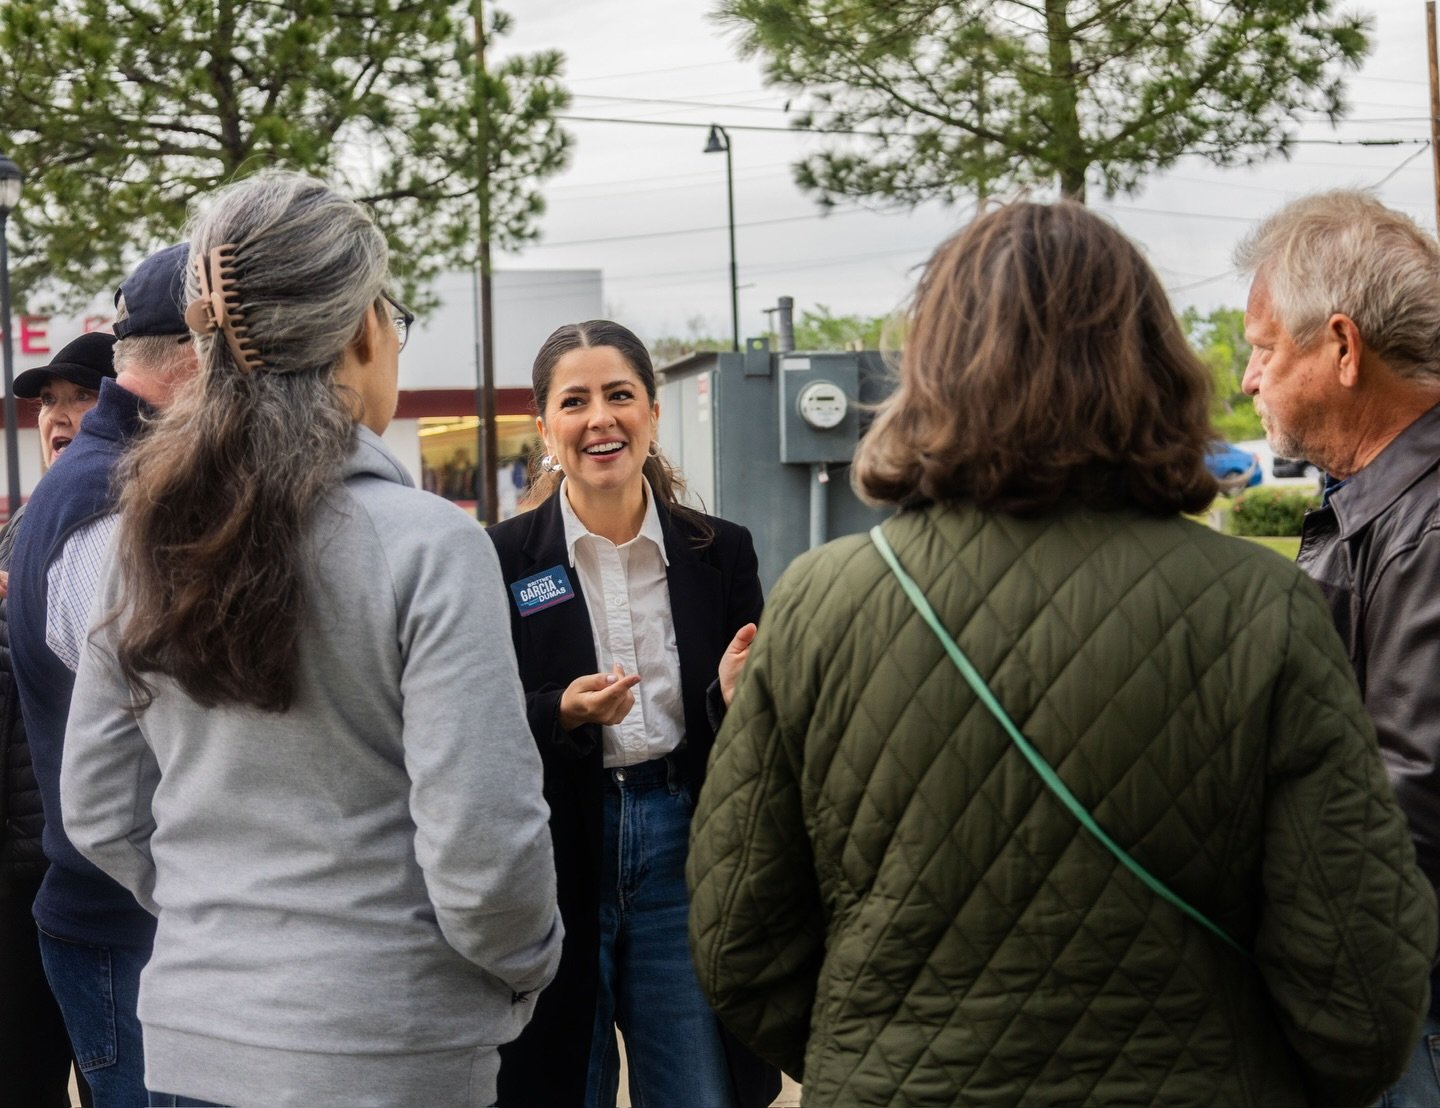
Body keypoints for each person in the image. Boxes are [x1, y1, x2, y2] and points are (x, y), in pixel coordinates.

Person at [687, 201, 1436, 1106]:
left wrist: (880, 1045)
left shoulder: (818, 604)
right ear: (1153, 363)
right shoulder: (1263, 609)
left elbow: (738, 939)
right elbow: (1360, 989)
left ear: (932, 367)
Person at [59, 169, 562, 1108]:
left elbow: (96, 805)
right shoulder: (431, 545)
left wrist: (223, 919)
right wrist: (525, 966)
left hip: (192, 1035)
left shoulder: (146, 537)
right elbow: (484, 848)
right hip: (390, 1044)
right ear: (364, 327)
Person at [486, 320, 777, 1108]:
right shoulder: (499, 559)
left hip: (684, 842)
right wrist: (562, 713)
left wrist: (726, 693)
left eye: (619, 395)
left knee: (698, 1087)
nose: (600, 419)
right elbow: (471, 715)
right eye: (574, 402)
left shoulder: (722, 550)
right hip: (555, 848)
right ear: (545, 426)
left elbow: (752, 729)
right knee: (559, 1083)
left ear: (652, 410)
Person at [1236, 190, 1440, 1106]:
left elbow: (1410, 802)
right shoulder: (1378, 502)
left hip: (1407, 1002)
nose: (1247, 378)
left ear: (1344, 349)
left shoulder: (1426, 527)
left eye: (1264, 347)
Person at [8, 245, 198, 1108]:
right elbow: (129, 756)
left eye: (75, 396)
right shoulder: (114, 505)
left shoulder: (138, 486)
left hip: (127, 918)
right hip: (127, 923)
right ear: (199, 360)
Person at [0, 330, 115, 1106]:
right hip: (22, 882)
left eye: (83, 397)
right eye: (51, 402)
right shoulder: (26, 527)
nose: (59, 416)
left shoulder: (130, 524)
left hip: (97, 877)